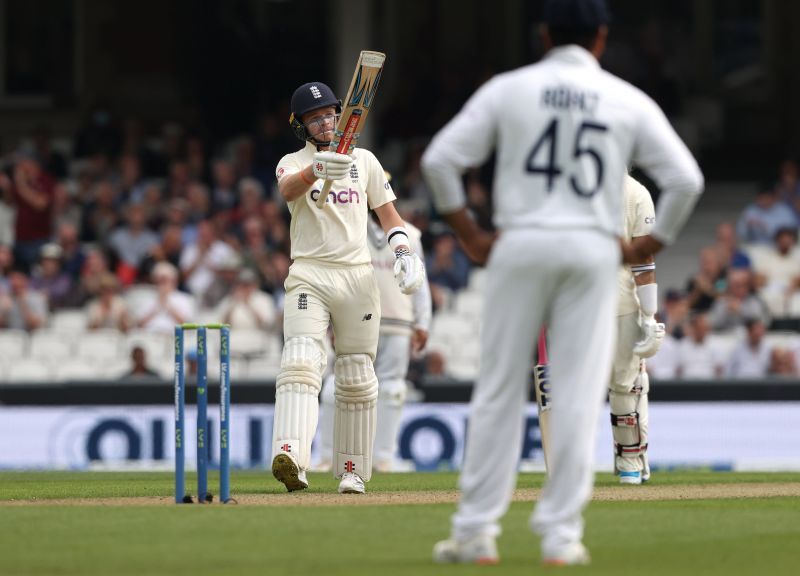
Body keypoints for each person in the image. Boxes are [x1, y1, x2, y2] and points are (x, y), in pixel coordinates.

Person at [420, 0, 704, 566]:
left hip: (521, 244)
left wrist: (470, 235)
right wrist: (645, 245)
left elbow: (439, 161)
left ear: (544, 34)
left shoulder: (510, 88)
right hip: (591, 252)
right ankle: (561, 537)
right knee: (577, 395)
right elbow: (686, 179)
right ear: (601, 37)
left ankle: (476, 532)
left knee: (499, 390)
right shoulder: (624, 98)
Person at [270, 81, 425, 495]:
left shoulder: (366, 161)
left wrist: (405, 252)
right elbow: (288, 189)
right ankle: (292, 456)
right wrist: (315, 170)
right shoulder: (291, 162)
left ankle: (352, 470)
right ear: (300, 126)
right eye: (315, 118)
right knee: (301, 361)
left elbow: (389, 216)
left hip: (357, 277)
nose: (326, 122)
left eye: (330, 114)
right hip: (310, 272)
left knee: (357, 374)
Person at [319, 189, 433, 473]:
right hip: (357, 318)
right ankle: (326, 456)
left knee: (393, 389)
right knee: (336, 386)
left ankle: (383, 457)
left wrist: (423, 322)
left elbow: (419, 280)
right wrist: (332, 319)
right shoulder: (349, 229)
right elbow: (337, 276)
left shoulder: (412, 235)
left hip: (398, 322)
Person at [607, 176, 664, 486]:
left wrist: (648, 314)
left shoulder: (634, 192)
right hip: (614, 302)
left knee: (624, 383)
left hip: (585, 302)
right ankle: (631, 461)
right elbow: (644, 259)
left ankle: (629, 461)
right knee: (626, 384)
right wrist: (649, 314)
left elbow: (643, 260)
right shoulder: (635, 191)